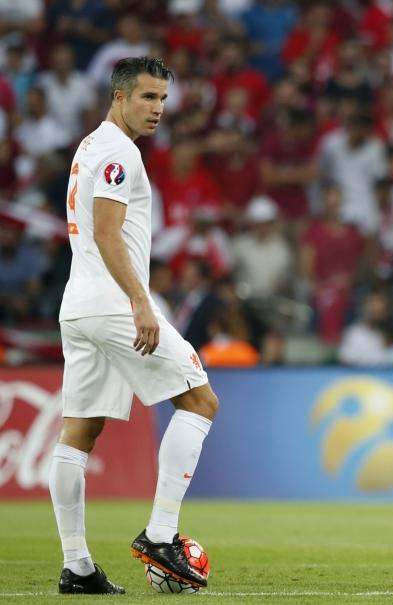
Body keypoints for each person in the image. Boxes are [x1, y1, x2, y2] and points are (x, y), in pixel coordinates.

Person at [51, 57, 218, 595]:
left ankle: (76, 567)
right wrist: (141, 304)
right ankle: (161, 534)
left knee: (78, 435)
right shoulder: (122, 152)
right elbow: (107, 233)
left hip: (79, 306)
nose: (157, 110)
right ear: (120, 96)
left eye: (163, 100)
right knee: (200, 401)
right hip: (112, 304)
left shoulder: (89, 146)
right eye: (147, 98)